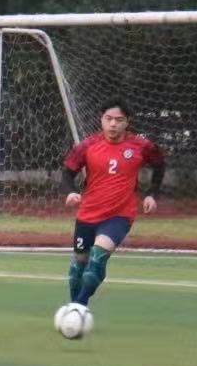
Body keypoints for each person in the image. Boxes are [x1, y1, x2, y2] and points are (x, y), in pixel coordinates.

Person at [61, 103, 166, 308]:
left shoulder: (141, 146)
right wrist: (71, 192)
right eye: (108, 119)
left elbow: (159, 164)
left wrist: (151, 194)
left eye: (119, 120)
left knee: (96, 260)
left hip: (119, 216)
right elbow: (67, 172)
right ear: (101, 119)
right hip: (87, 215)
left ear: (127, 122)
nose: (113, 124)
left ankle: (79, 307)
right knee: (77, 270)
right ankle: (76, 308)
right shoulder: (88, 145)